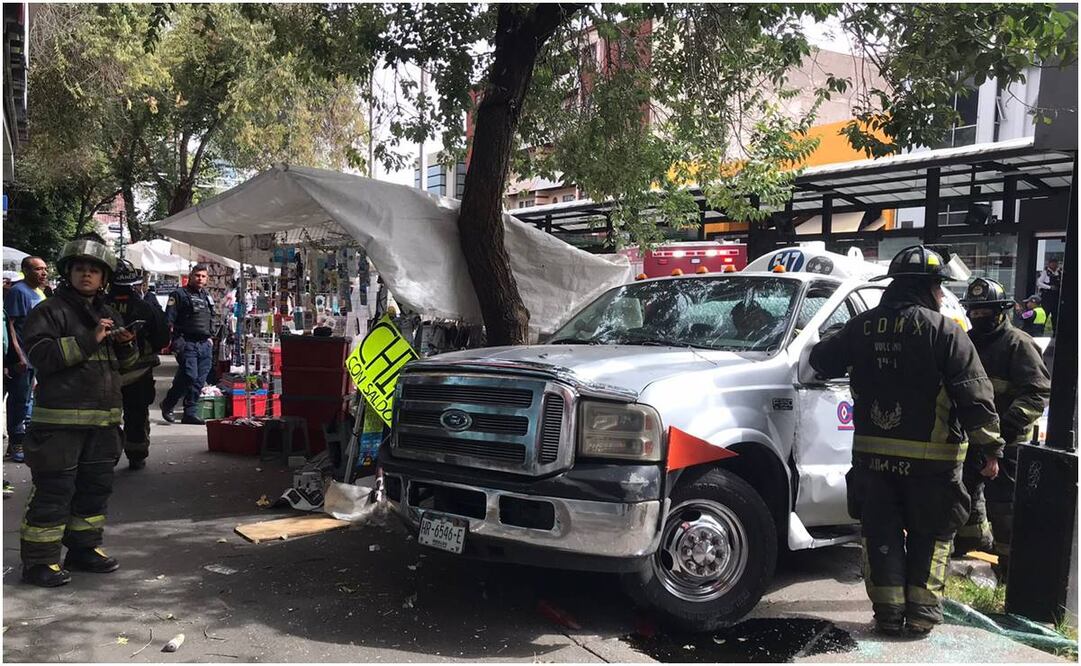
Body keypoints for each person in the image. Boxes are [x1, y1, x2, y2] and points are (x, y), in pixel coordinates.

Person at [809, 245, 1004, 637]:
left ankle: (887, 615)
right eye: (939, 288)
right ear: (930, 288)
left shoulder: (862, 327)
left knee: (880, 535)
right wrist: (989, 448)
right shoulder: (946, 331)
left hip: (873, 462)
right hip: (933, 464)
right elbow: (973, 393)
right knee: (930, 536)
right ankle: (920, 618)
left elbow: (820, 360)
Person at [18, 235, 138, 587]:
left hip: (102, 423)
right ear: (68, 273)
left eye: (94, 271)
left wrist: (127, 346)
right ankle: (39, 561)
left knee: (94, 489)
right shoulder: (49, 311)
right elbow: (41, 357)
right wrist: (90, 339)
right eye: (80, 269)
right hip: (60, 425)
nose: (86, 275)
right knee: (55, 491)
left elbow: (125, 368)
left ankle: (84, 549)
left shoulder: (107, 313)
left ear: (103, 279)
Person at [952, 278, 1050, 577]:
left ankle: (1011, 571)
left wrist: (1001, 433)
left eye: (986, 312)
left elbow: (1037, 393)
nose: (979, 317)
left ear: (1001, 311)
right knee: (963, 496)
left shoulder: (1018, 344)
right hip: (968, 439)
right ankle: (970, 548)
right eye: (974, 312)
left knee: (1003, 506)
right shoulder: (964, 343)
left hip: (1009, 441)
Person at [106, 260, 170, 470]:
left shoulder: (97, 306)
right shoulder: (146, 307)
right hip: (139, 371)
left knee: (107, 417)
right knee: (136, 413)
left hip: (105, 373)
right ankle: (137, 454)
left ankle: (107, 457)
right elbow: (162, 338)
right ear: (134, 282)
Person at [5, 256, 49, 462]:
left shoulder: (39, 292)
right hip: (23, 359)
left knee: (31, 401)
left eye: (45, 269)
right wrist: (18, 356)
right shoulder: (17, 292)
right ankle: (16, 442)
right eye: (38, 269)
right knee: (19, 401)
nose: (43, 273)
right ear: (25, 270)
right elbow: (10, 325)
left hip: (38, 357)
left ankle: (27, 440)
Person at [160, 264, 215, 425]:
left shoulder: (206, 296)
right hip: (187, 342)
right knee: (189, 376)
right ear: (190, 276)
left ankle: (190, 413)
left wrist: (210, 339)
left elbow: (211, 318)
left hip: (204, 344)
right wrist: (173, 342)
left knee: (199, 380)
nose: (200, 279)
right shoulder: (178, 294)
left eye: (203, 276)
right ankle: (168, 403)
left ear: (207, 279)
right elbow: (168, 320)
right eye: (197, 275)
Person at [1036, 258, 1061, 329]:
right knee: (1045, 314)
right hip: (1047, 297)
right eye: (1052, 263)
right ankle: (1040, 331)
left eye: (1055, 263)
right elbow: (1038, 283)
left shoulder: (1059, 272)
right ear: (1049, 264)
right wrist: (1049, 287)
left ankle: (1055, 331)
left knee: (1055, 316)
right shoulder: (1045, 273)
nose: (1054, 264)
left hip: (1056, 297)